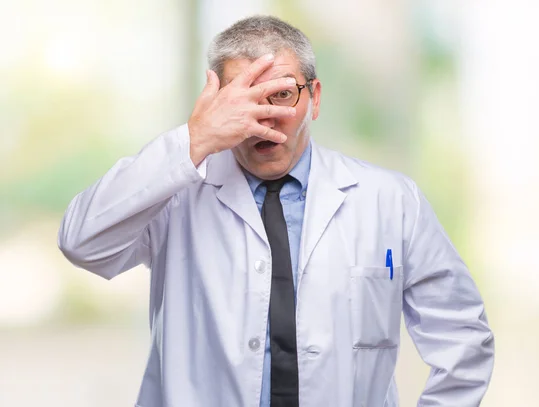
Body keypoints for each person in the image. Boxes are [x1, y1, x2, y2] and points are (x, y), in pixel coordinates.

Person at [58, 15, 494, 407]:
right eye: (243, 99)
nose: (263, 118)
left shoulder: (390, 200)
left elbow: (463, 343)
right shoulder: (174, 192)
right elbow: (82, 243)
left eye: (282, 94)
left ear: (315, 98)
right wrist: (194, 140)